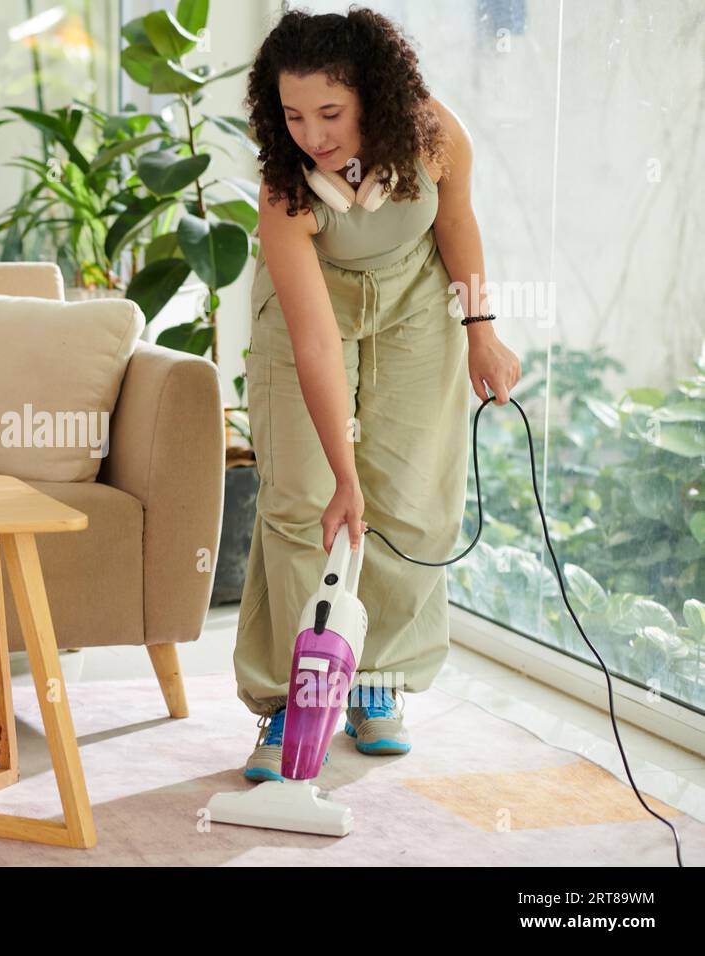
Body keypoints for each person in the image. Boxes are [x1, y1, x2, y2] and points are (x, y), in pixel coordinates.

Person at [236, 8, 521, 780]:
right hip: (313, 311)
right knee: (306, 499)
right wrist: (343, 474)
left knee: (412, 496)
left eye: (330, 112)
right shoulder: (286, 187)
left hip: (414, 303)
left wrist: (480, 330)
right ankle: (294, 695)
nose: (313, 133)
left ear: (374, 94)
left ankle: (377, 681)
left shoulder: (434, 137)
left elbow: (456, 224)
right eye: (292, 114)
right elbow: (316, 341)